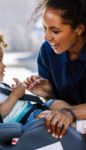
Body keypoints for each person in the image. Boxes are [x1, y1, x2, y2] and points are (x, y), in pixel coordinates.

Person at [24, 0, 86, 139]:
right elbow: (56, 103)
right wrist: (48, 93)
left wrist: (69, 113)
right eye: (44, 28)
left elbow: (66, 111)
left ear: (79, 29)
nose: (46, 37)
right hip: (71, 131)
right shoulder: (47, 52)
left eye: (55, 31)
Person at [0, 27, 42, 123]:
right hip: (25, 120)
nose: (4, 65)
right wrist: (15, 95)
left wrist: (13, 91)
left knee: (56, 104)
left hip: (31, 111)